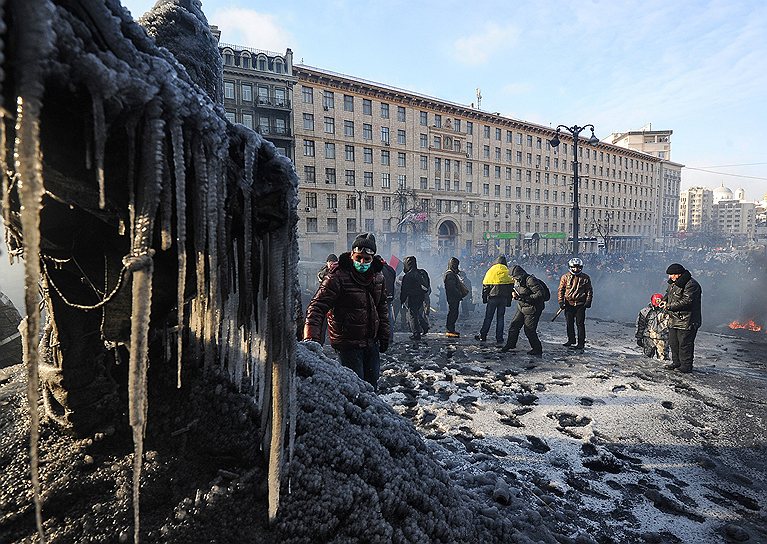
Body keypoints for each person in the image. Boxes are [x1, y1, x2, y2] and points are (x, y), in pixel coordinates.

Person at [303, 233, 390, 389]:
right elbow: (317, 307)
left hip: (371, 343)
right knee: (354, 388)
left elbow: (381, 307)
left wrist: (384, 334)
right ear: (352, 255)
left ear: (372, 259)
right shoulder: (337, 277)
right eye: (358, 258)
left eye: (366, 259)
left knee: (371, 387)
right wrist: (312, 340)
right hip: (347, 345)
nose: (362, 262)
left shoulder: (378, 277)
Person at [660, 263, 702, 373]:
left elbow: (687, 302)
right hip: (674, 319)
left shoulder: (691, 285)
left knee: (685, 344)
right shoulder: (673, 284)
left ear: (678, 274)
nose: (669, 277)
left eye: (671, 275)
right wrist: (663, 300)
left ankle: (686, 366)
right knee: (673, 343)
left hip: (687, 320)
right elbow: (668, 295)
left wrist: (669, 306)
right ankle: (676, 363)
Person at [501, 265, 545, 356]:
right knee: (514, 325)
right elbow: (516, 289)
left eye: (514, 277)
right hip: (522, 307)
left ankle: (537, 349)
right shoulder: (518, 281)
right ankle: (510, 344)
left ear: (519, 275)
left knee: (529, 330)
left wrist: (525, 298)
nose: (513, 279)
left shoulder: (530, 280)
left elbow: (540, 294)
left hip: (533, 308)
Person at [475, 256, 514, 344]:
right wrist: (509, 301)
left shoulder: (491, 271)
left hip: (492, 298)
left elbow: (485, 287)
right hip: (503, 299)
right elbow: (510, 289)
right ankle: (499, 338)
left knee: (488, 317)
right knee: (500, 318)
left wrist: (484, 298)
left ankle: (483, 335)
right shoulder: (507, 272)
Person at [558, 257, 593, 350]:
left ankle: (581, 343)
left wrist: (588, 301)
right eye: (574, 267)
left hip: (580, 304)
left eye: (578, 267)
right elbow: (561, 290)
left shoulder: (585, 277)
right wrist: (561, 301)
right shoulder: (565, 277)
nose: (576, 269)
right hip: (568, 303)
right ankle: (571, 340)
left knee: (580, 324)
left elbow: (589, 291)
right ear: (570, 267)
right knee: (569, 323)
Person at [400, 256, 430, 340]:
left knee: (412, 315)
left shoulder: (408, 276)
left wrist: (402, 300)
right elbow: (427, 285)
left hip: (413, 297)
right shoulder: (421, 272)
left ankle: (416, 333)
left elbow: (404, 290)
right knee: (416, 313)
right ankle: (425, 326)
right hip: (421, 296)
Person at [635, 293, 669, 360]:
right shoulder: (645, 312)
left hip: (663, 338)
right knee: (647, 358)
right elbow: (640, 325)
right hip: (649, 337)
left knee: (663, 359)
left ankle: (661, 369)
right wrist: (639, 337)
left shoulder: (667, 311)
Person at [316, 253, 338, 345]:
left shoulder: (339, 272)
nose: (331, 263)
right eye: (330, 262)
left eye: (333, 262)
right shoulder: (322, 273)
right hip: (325, 301)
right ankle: (320, 343)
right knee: (322, 324)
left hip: (336, 303)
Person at [443, 257, 466, 338]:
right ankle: (450, 329)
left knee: (453, 312)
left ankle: (451, 329)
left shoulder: (451, 274)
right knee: (453, 313)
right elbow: (451, 287)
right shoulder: (450, 274)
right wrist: (459, 294)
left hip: (453, 297)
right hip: (453, 297)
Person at [380, 258, 396, 344]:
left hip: (381, 297)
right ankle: (390, 337)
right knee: (389, 317)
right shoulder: (390, 269)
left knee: (380, 318)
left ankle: (382, 338)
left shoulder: (379, 270)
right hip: (390, 296)